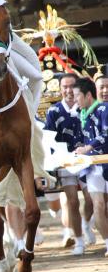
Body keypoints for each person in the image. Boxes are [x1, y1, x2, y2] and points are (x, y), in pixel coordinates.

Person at [44, 73, 95, 255]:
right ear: (59, 89)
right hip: (65, 161)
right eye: (64, 87)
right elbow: (48, 139)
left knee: (92, 199)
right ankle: (79, 241)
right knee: (72, 201)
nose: (68, 91)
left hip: (87, 160)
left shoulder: (87, 108)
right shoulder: (53, 111)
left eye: (71, 86)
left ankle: (86, 224)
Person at [73, 77, 108, 257]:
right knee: (98, 205)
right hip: (93, 167)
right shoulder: (82, 114)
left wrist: (89, 147)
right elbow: (83, 139)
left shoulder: (104, 108)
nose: (75, 99)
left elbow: (106, 134)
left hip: (106, 163)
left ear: (88, 95)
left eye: (77, 96)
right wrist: (79, 149)